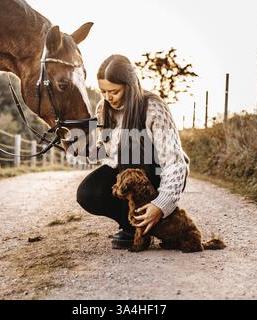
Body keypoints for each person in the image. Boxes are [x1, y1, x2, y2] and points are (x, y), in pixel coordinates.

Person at [77, 54, 189, 249]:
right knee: (87, 192)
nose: (107, 97)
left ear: (129, 86)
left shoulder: (153, 107)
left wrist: (161, 205)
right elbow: (107, 152)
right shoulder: (103, 108)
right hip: (125, 170)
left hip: (153, 174)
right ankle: (133, 224)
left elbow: (175, 162)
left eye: (114, 91)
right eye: (102, 91)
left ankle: (152, 221)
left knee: (132, 150)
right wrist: (81, 148)